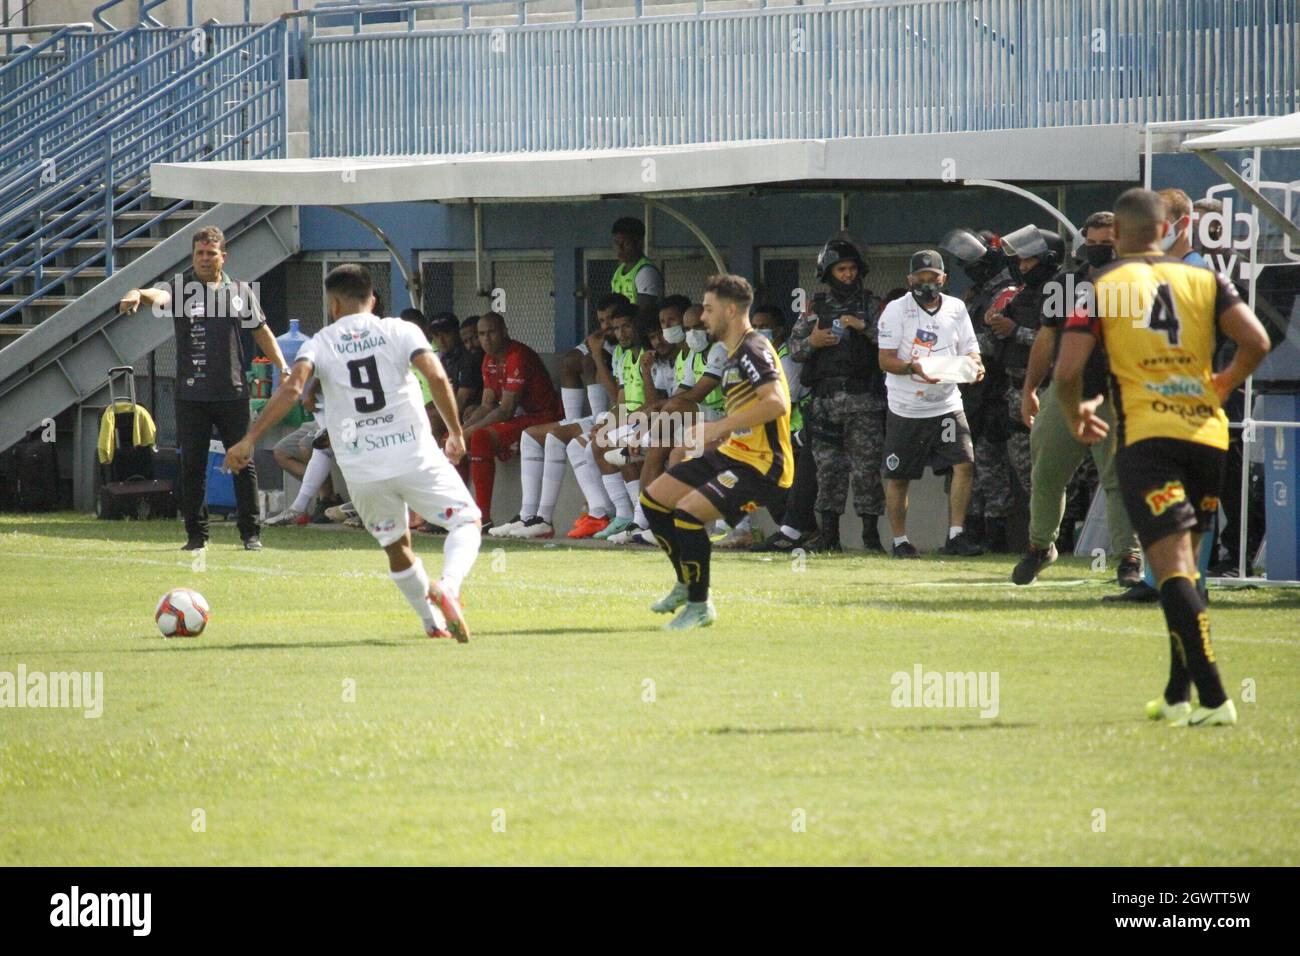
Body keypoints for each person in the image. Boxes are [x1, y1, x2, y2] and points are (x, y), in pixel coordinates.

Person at [1055, 187, 1270, 727]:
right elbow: (1257, 341)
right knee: (1187, 566)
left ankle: (1216, 697)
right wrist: (1221, 383)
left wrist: (1078, 412)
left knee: (1169, 567)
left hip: (1148, 438)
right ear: (1166, 230)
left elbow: (1066, 371)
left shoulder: (1103, 284)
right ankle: (1177, 694)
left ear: (1121, 234)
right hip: (1206, 434)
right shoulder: (1204, 279)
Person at [225, 264, 483, 641]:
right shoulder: (400, 329)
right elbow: (437, 376)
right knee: (466, 521)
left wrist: (249, 439)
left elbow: (293, 389)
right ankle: (449, 584)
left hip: (361, 468)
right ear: (373, 300)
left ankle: (431, 623)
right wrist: (456, 433)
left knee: (396, 545)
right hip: (413, 455)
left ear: (333, 305)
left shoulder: (320, 342)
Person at [118, 225, 288, 552]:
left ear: (223, 256)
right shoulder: (182, 289)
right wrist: (139, 293)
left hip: (232, 392)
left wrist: (282, 364)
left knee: (242, 462)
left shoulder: (240, 291)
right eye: (199, 254)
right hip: (190, 396)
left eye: (211, 253)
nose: (205, 259)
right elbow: (161, 295)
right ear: (192, 257)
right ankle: (196, 536)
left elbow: (262, 331)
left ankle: (251, 533)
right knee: (192, 466)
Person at [640, 275, 793, 630]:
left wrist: (718, 427)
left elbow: (777, 403)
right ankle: (686, 582)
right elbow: (747, 412)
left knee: (689, 515)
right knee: (654, 501)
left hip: (763, 466)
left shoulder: (753, 348)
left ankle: (699, 604)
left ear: (730, 310)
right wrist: (716, 436)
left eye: (708, 309)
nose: (703, 318)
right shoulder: (730, 354)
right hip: (734, 454)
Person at [1012, 211, 1143, 587]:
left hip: (1117, 391)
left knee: (1118, 477)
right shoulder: (1066, 282)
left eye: (1109, 243)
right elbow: (1046, 338)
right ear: (1084, 241)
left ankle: (1129, 557)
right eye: (1095, 242)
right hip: (1065, 389)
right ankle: (1040, 546)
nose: (1100, 249)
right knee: (1047, 472)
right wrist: (1030, 390)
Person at [876, 250, 985, 558]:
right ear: (910, 281)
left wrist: (976, 366)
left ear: (944, 279)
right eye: (920, 279)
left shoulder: (956, 308)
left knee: (964, 463)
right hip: (907, 408)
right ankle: (900, 541)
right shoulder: (896, 311)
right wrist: (913, 368)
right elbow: (885, 360)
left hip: (947, 404)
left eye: (933, 279)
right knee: (899, 476)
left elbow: (971, 349)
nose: (926, 285)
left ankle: (956, 535)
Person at [785, 236, 887, 553]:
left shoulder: (873, 305)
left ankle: (871, 538)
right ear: (828, 273)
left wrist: (862, 326)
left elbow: (891, 344)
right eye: (841, 269)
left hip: (864, 402)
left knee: (866, 471)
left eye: (852, 268)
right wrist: (813, 342)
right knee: (828, 470)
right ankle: (830, 538)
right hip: (825, 403)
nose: (847, 274)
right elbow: (793, 350)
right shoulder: (814, 308)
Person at [940, 227, 1020, 552]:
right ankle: (967, 533)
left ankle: (996, 536)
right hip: (969, 391)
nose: (968, 267)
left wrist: (960, 351)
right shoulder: (977, 293)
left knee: (989, 466)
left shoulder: (1007, 291)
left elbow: (997, 340)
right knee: (964, 464)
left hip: (995, 389)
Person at [988, 224, 1067, 508]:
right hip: (1017, 392)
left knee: (1054, 468)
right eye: (1019, 261)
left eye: (1028, 260)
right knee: (1025, 469)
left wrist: (1015, 331)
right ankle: (1041, 535)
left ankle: (1064, 535)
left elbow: (1060, 344)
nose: (1022, 267)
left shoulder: (1062, 292)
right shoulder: (1023, 294)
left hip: (1048, 392)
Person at [463, 312, 564, 529]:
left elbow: (506, 410)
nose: (486, 339)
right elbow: (488, 404)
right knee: (454, 438)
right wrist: (459, 431)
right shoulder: (488, 359)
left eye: (491, 333)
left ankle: (483, 518)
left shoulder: (517, 355)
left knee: (479, 437)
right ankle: (451, 514)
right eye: (481, 334)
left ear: (505, 332)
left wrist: (469, 433)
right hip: (522, 417)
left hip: (544, 416)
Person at [610, 217, 664, 327]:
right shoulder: (619, 271)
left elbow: (643, 315)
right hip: (621, 333)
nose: (620, 248)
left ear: (639, 243)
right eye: (616, 243)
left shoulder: (646, 272)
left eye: (625, 243)